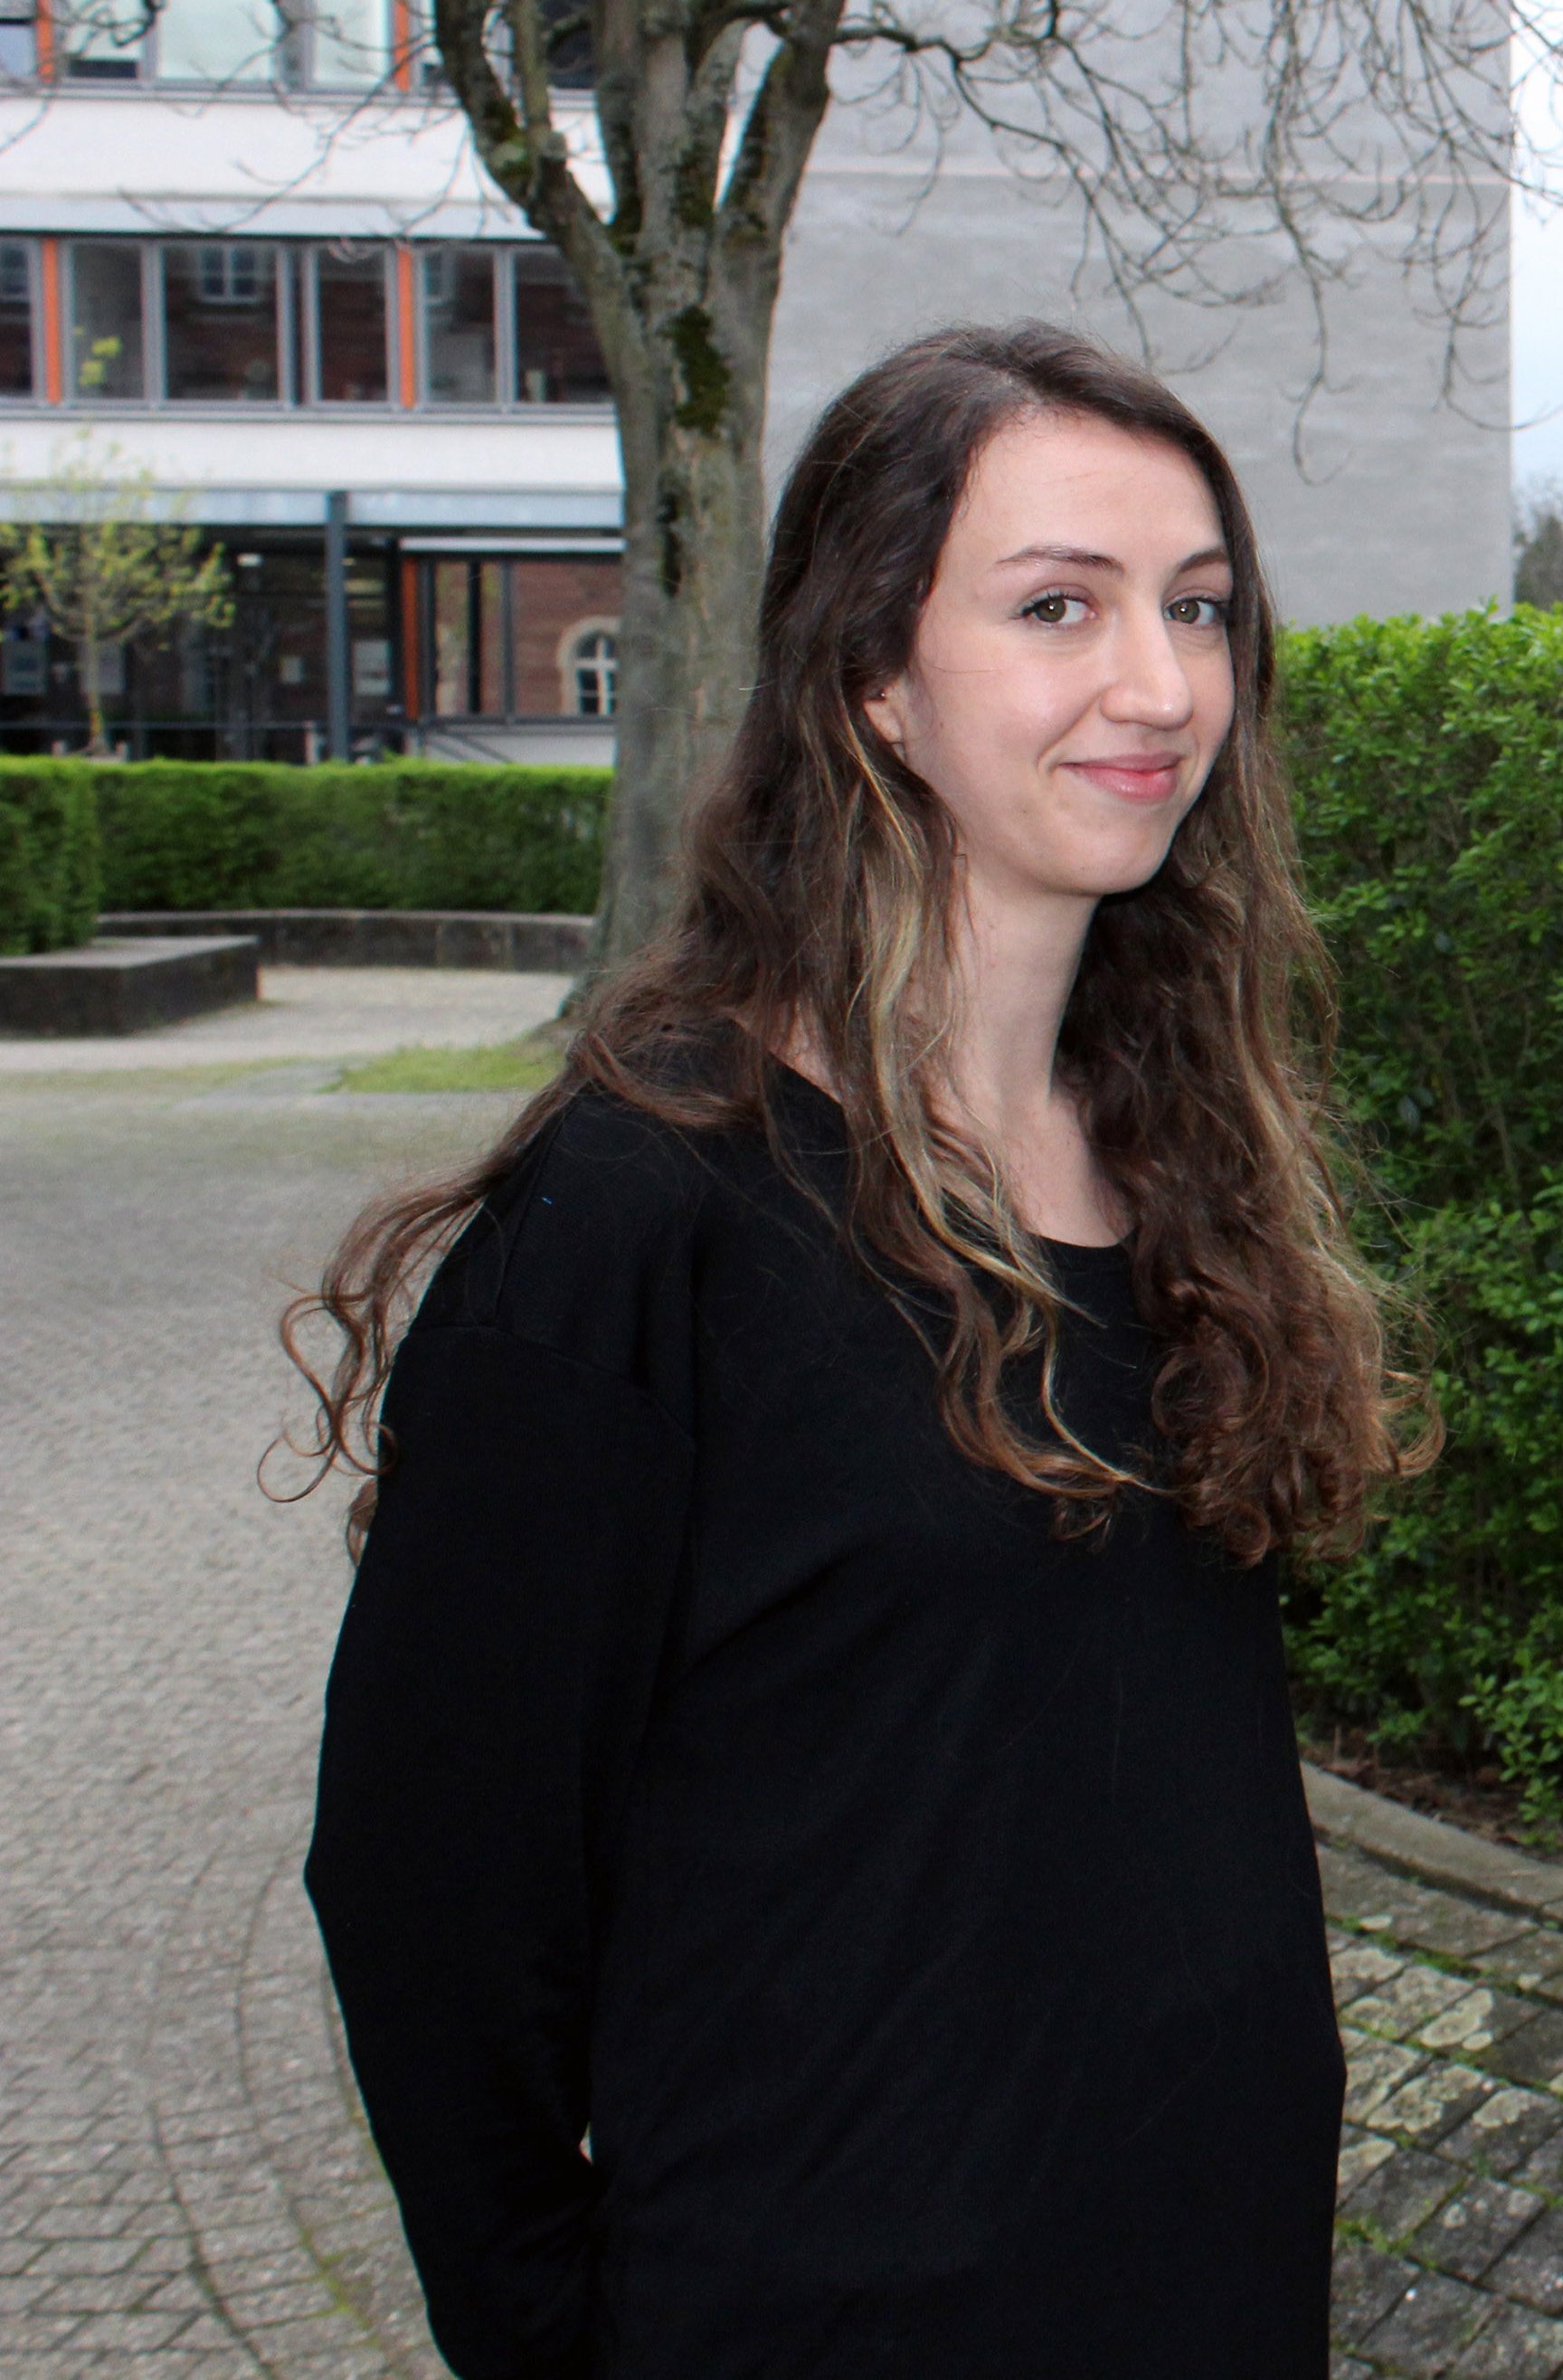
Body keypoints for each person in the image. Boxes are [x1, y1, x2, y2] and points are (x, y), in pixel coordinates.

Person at [289, 323, 1422, 2377]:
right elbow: (427, 1885)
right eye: (1058, 606)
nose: (1159, 684)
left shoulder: (1185, 1170)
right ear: (874, 673)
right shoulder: (646, 1215)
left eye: (1196, 608)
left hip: (1207, 2287)